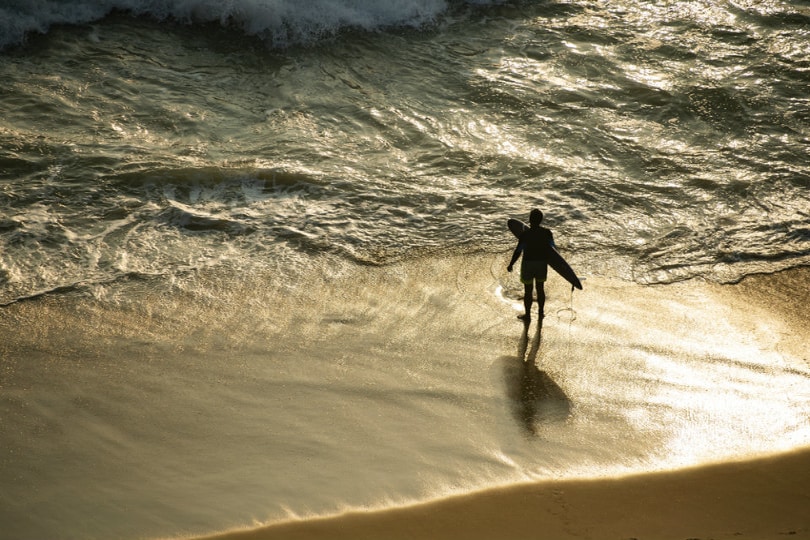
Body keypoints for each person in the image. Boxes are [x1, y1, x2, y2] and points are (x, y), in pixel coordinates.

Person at [507, 208, 555, 321]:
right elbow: (553, 250)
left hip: (528, 264)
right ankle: (541, 313)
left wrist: (511, 264)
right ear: (541, 220)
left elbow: (518, 250)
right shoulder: (547, 233)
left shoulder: (525, 234)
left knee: (528, 290)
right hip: (541, 264)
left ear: (529, 219)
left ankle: (527, 315)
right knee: (540, 288)